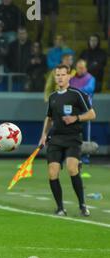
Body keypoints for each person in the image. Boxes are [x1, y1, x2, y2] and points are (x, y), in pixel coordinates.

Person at [39, 64, 96, 217]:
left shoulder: (77, 94)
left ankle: (82, 205)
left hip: (73, 138)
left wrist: (76, 118)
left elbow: (91, 114)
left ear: (69, 76)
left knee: (72, 169)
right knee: (52, 173)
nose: (60, 77)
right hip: (56, 139)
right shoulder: (53, 97)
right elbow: (49, 118)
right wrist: (44, 135)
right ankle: (60, 207)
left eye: (63, 75)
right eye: (57, 75)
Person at [70, 59, 96, 164]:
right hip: (73, 110)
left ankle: (86, 156)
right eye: (78, 67)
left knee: (86, 134)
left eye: (82, 67)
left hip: (85, 111)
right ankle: (72, 155)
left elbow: (89, 89)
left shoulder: (91, 78)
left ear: (85, 68)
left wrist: (75, 90)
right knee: (72, 134)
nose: (80, 70)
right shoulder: (71, 78)